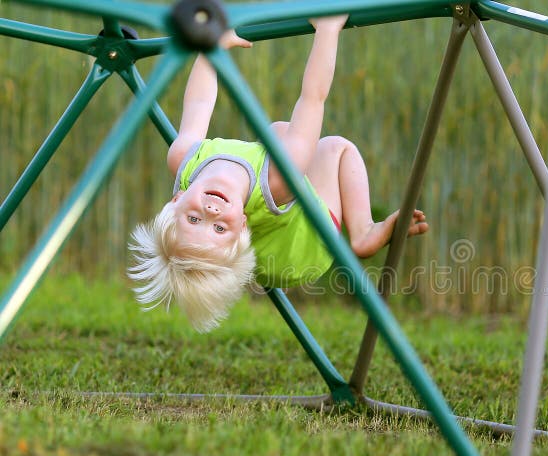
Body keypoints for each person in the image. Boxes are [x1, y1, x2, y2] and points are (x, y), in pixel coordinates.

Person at [128, 15, 428, 332]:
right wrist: (328, 29)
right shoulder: (280, 178)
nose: (211, 211)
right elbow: (313, 98)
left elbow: (200, 102)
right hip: (307, 247)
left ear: (176, 200)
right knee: (336, 148)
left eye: (193, 220)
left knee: (278, 133)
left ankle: (248, 241)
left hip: (271, 241)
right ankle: (364, 233)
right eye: (218, 228)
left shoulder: (183, 158)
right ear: (242, 225)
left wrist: (211, 50)